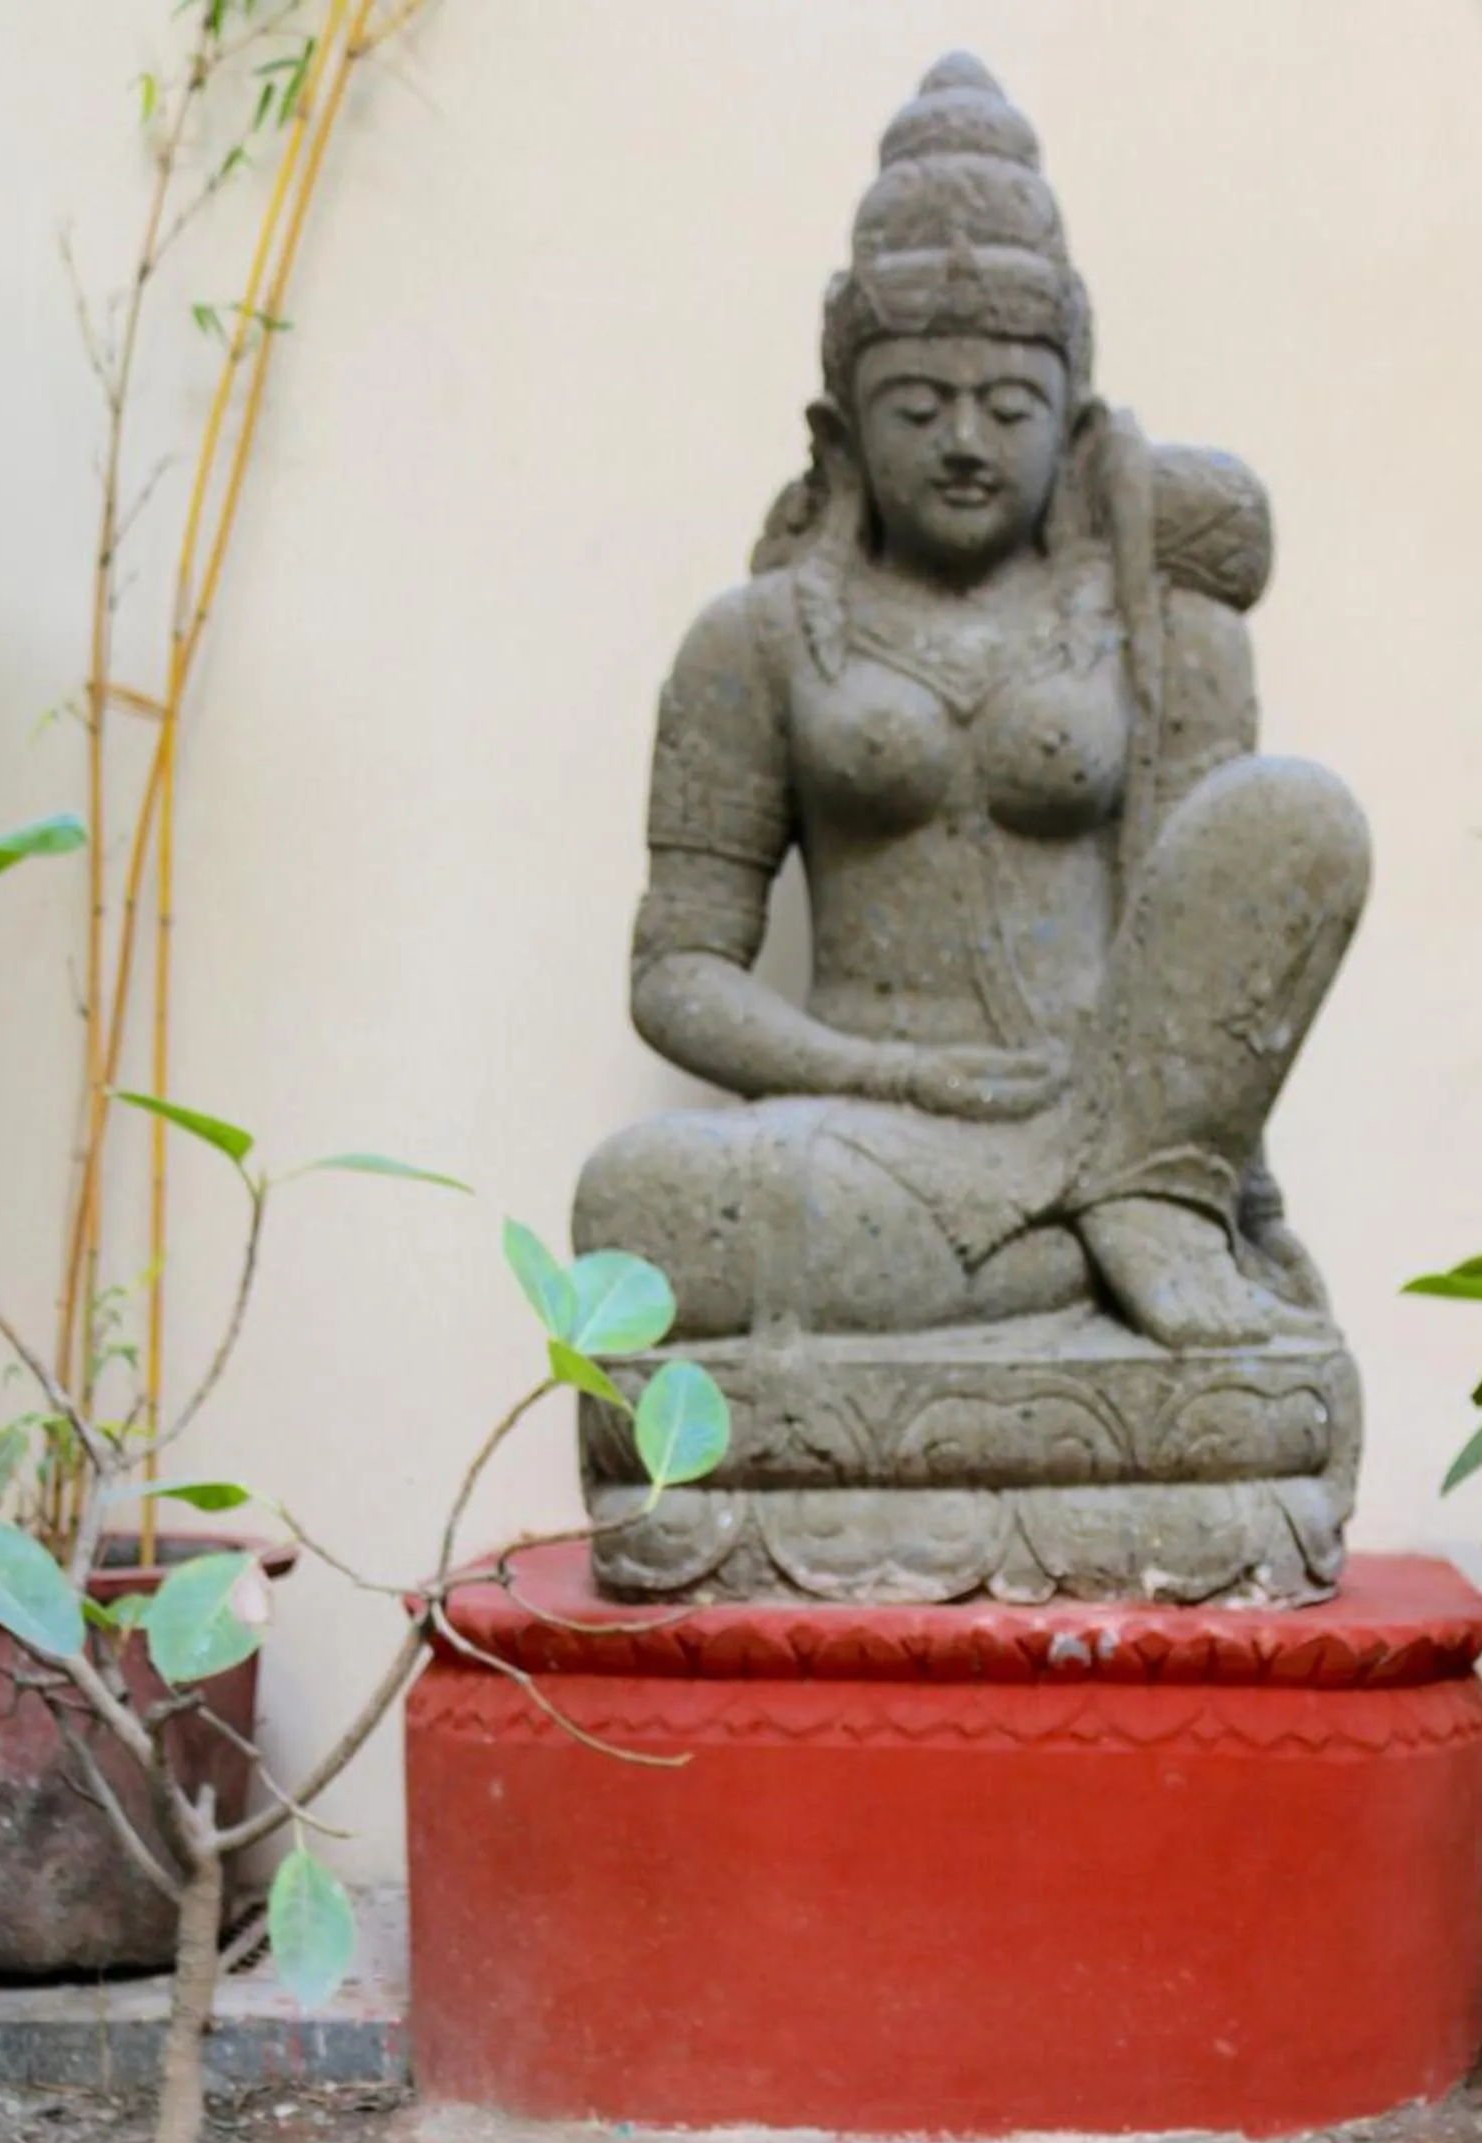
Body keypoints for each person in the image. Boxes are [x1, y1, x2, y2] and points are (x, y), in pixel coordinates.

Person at [574, 53, 1369, 1361]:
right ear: (841, 427)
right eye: (916, 405)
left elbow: (1205, 956)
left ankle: (1138, 1207)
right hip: (863, 1129)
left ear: (1074, 421)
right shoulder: (756, 638)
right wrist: (889, 1077)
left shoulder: (1156, 633)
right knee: (632, 1204)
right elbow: (677, 974)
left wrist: (1243, 1197)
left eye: (1009, 406)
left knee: (1300, 817)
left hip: (1099, 1112)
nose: (963, 440)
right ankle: (1070, 1255)